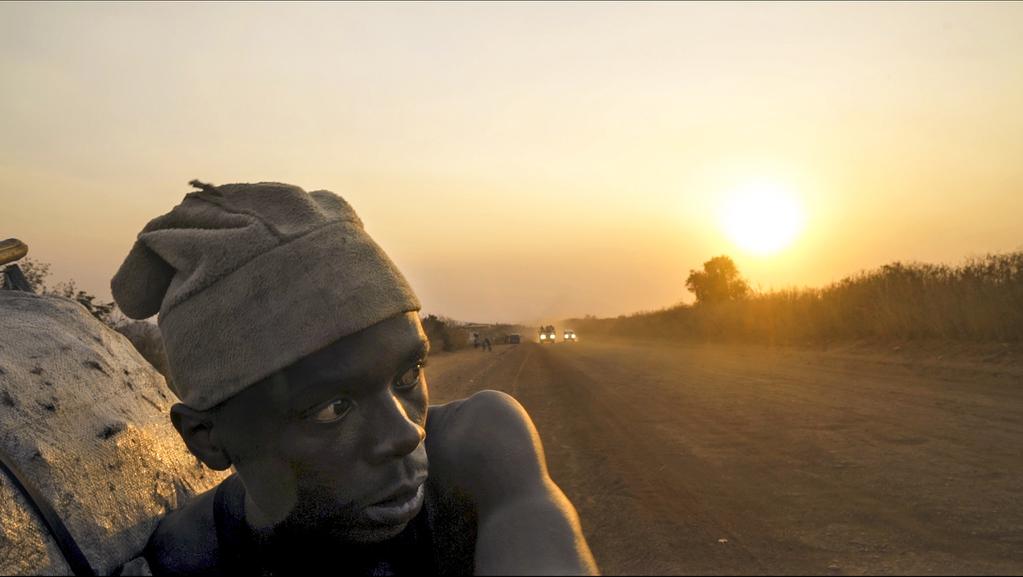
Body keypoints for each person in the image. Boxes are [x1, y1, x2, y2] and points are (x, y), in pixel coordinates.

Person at [111, 181, 597, 576]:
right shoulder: (189, 556)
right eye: (332, 408)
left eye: (408, 375)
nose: (407, 434)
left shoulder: (480, 450)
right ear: (207, 438)